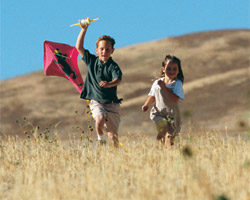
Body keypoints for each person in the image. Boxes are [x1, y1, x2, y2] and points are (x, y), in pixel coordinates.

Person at [75, 18, 123, 147]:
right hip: (96, 101)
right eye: (101, 49)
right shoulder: (91, 61)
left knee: (113, 137)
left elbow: (118, 79)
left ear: (112, 51)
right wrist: (83, 29)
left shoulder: (113, 66)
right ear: (96, 50)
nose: (104, 52)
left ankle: (116, 157)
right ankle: (100, 139)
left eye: (107, 49)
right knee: (99, 119)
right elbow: (78, 47)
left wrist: (109, 84)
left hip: (112, 105)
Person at [142, 55, 184, 147]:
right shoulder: (157, 82)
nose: (171, 71)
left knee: (170, 136)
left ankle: (166, 153)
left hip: (172, 114)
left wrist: (164, 87)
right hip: (159, 113)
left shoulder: (177, 84)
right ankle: (157, 149)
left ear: (178, 70)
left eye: (174, 69)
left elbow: (175, 99)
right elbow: (152, 96)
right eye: (169, 68)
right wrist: (146, 104)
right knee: (163, 128)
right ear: (163, 69)